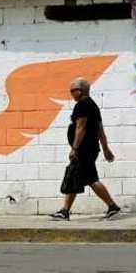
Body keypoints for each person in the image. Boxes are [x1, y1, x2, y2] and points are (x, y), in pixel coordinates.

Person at [49, 77, 121, 220]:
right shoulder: (93, 105)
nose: (70, 94)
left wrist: (74, 148)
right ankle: (65, 211)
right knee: (75, 176)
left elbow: (80, 128)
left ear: (80, 91)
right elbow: (100, 129)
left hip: (84, 150)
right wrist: (105, 149)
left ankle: (113, 206)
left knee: (91, 179)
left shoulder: (82, 105)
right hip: (91, 148)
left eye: (72, 91)